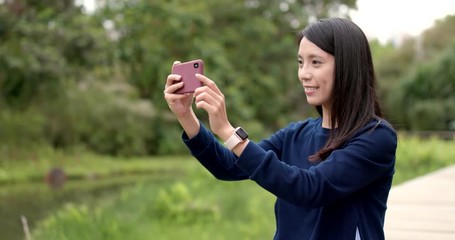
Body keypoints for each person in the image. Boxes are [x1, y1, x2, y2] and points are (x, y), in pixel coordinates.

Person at [163, 18, 397, 240]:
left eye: (316, 62)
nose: (304, 73)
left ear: (348, 66)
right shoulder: (296, 134)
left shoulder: (376, 137)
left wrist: (227, 130)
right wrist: (186, 116)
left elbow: (310, 189)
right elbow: (229, 166)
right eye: (300, 62)